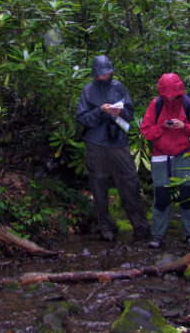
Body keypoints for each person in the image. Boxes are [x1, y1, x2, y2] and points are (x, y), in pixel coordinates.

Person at [76, 55, 150, 242]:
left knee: (130, 183)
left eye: (108, 72)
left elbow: (130, 114)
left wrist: (119, 112)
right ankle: (105, 227)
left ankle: (140, 226)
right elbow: (83, 118)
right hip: (96, 144)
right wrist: (100, 111)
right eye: (103, 73)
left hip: (118, 142)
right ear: (95, 74)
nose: (106, 75)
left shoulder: (118, 87)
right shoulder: (87, 90)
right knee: (99, 186)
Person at [140, 73, 190, 249]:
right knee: (161, 196)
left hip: (186, 153)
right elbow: (146, 132)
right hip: (161, 154)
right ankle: (158, 236)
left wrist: (185, 127)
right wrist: (162, 127)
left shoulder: (188, 104)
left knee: (187, 195)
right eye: (166, 95)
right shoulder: (156, 105)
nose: (170, 98)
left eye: (173, 95)